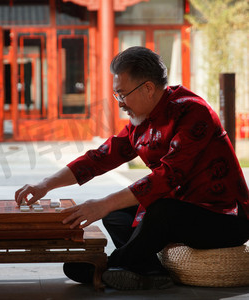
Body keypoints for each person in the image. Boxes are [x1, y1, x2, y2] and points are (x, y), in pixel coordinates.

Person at [15, 46, 249, 290]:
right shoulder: (142, 121)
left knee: (159, 210)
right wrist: (45, 185)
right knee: (117, 215)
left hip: (225, 217)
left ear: (148, 88)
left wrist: (103, 203)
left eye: (122, 94)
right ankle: (149, 270)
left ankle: (111, 265)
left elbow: (167, 177)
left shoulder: (192, 112)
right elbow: (99, 157)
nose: (119, 104)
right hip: (182, 209)